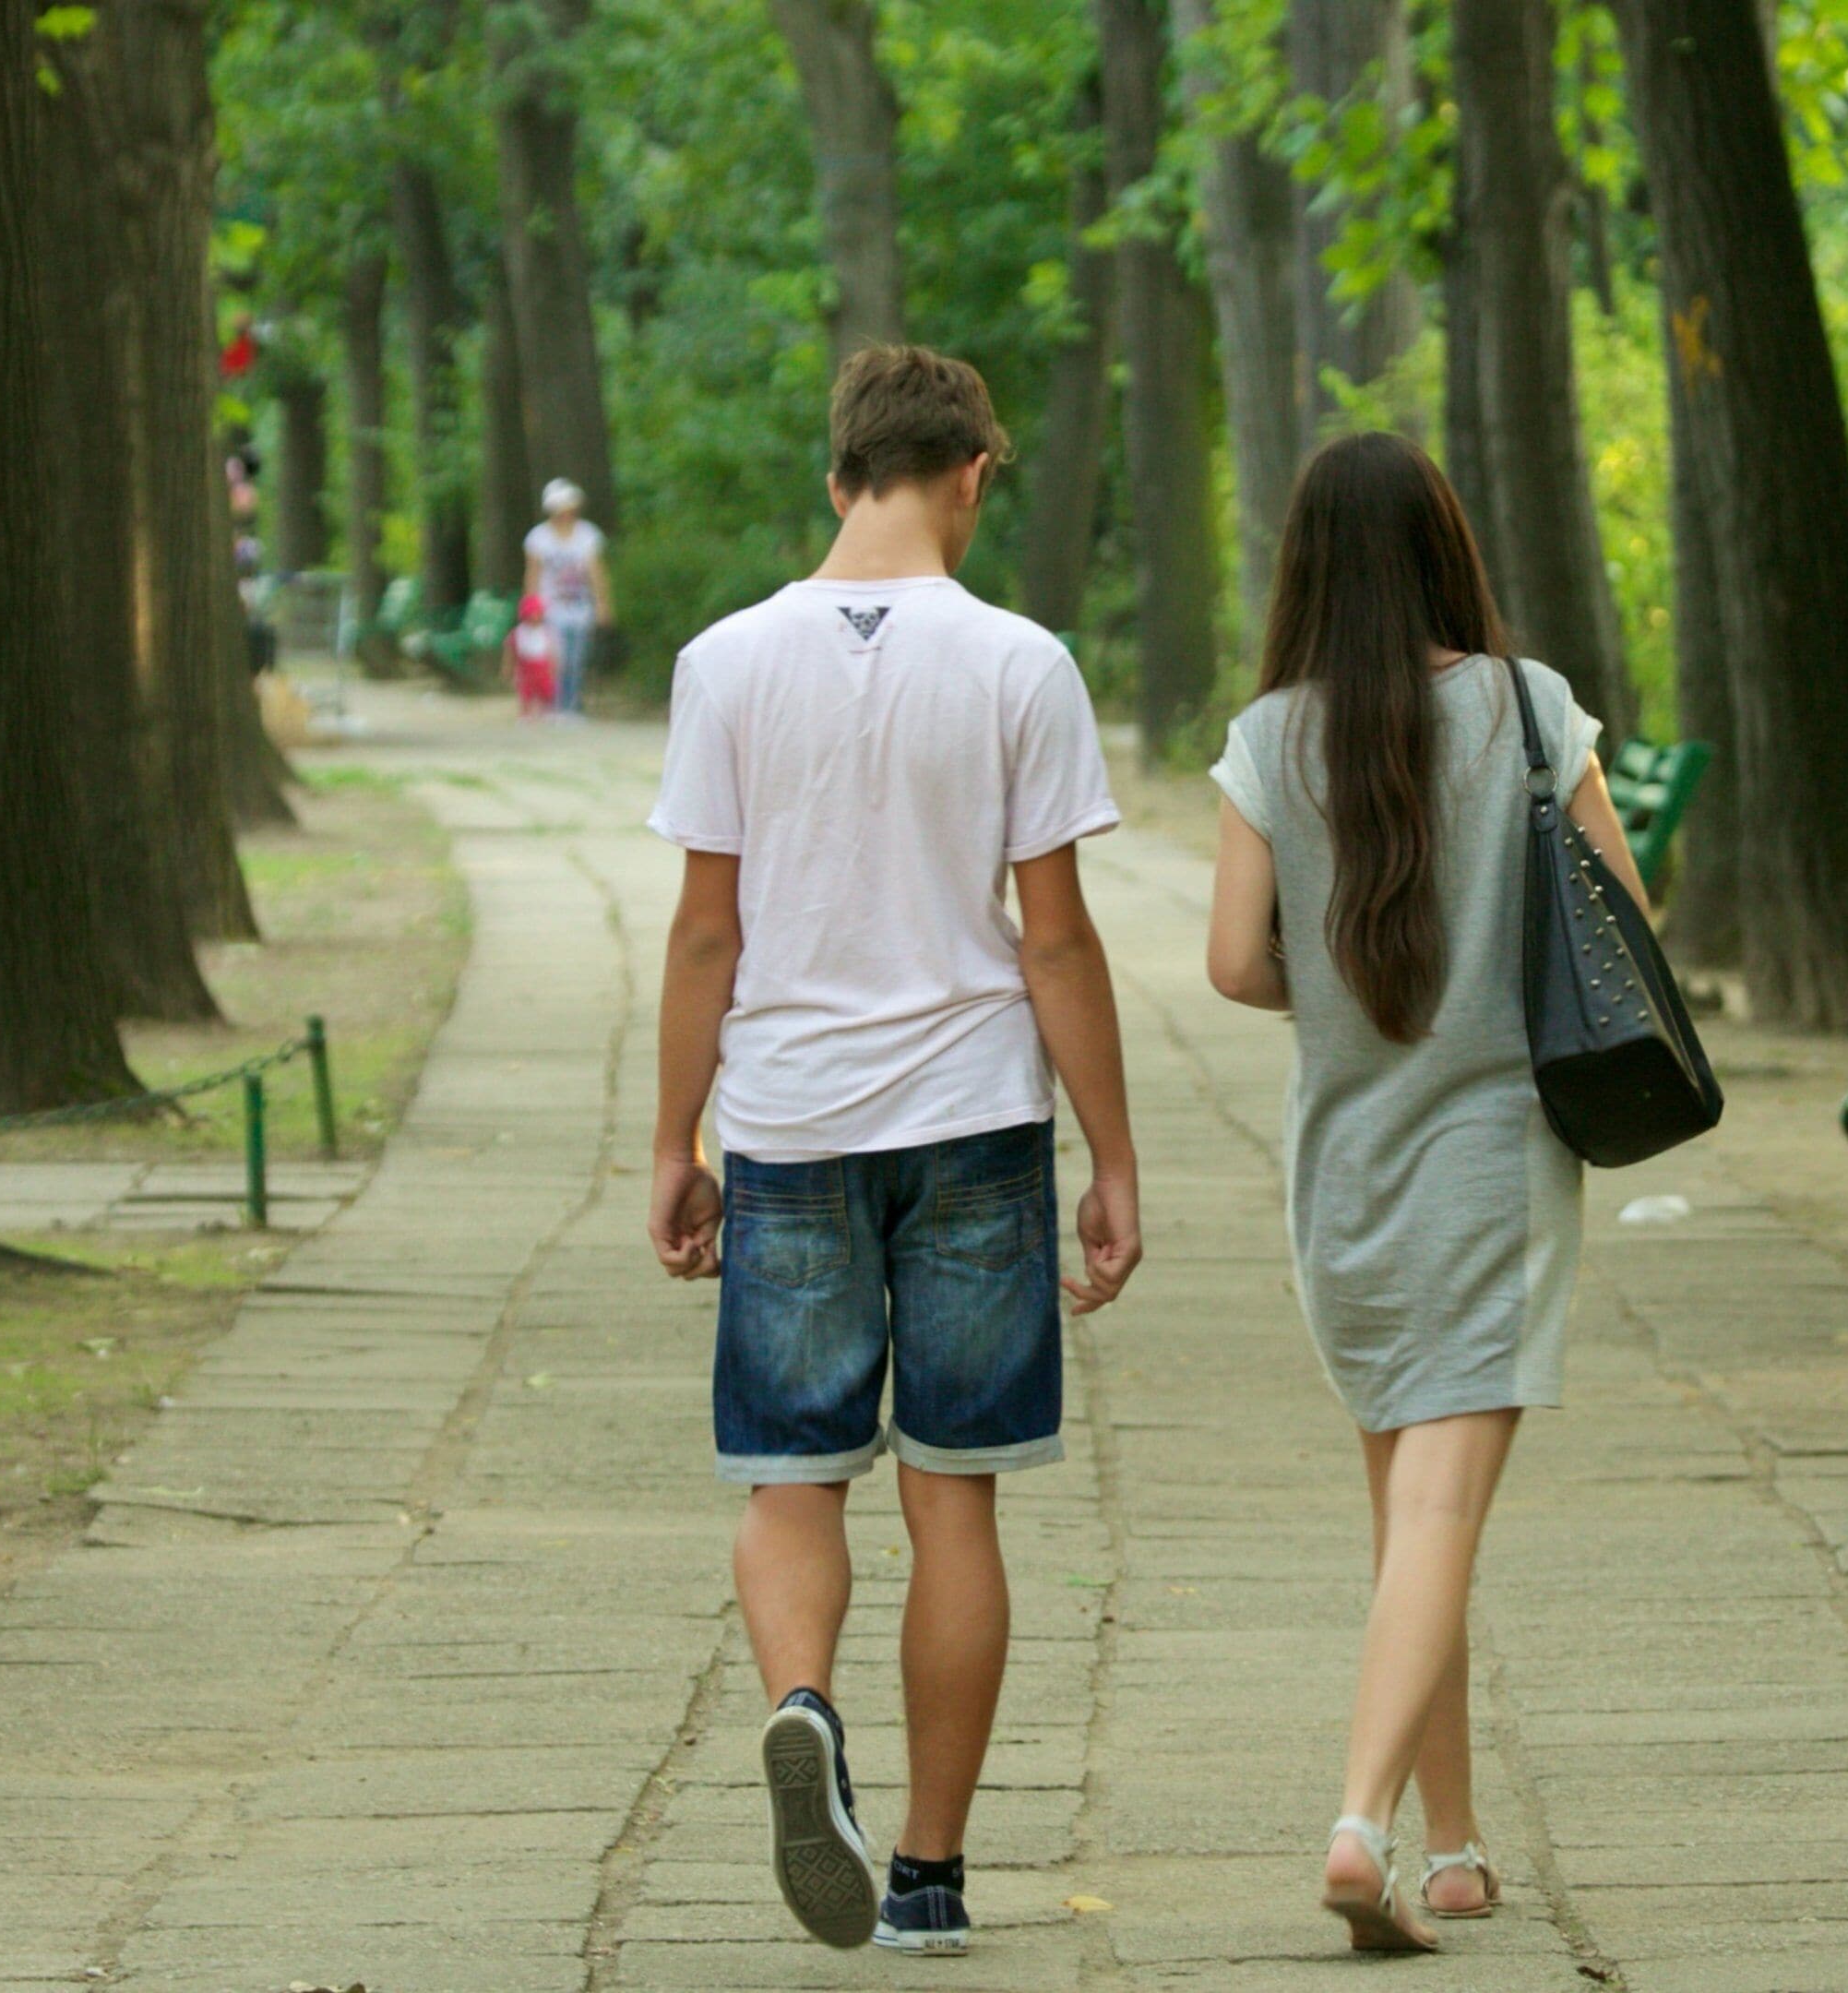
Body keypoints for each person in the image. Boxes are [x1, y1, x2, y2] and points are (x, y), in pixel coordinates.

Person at [645, 346, 1145, 1961]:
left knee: (792, 1480)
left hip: (789, 1122)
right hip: (978, 1124)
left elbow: (705, 935)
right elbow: (1057, 945)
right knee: (956, 1503)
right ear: (975, 474)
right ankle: (928, 1875)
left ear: (838, 473)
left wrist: (674, 1137)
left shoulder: (725, 662)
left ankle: (803, 1704)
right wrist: (1115, 1157)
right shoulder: (1020, 663)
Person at [1199, 433, 1643, 1954]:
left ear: (1306, 566)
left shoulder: (1271, 738)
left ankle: (1452, 1850)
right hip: (1498, 1160)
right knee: (1444, 1507)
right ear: (1449, 547)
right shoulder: (1530, 711)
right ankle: (1357, 1821)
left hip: (1344, 1168)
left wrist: (1342, 995)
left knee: (1410, 1514)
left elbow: (1235, 961)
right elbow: (1627, 922)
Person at [524, 476, 614, 714]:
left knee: (577, 659)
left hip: (581, 606)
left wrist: (602, 603)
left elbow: (596, 572)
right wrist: (530, 608)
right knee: (557, 659)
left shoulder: (588, 535)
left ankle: (571, 704)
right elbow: (533, 575)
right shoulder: (538, 538)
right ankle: (555, 704)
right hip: (550, 607)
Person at [508, 594, 559, 716]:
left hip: (543, 667)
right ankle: (526, 714)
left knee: (547, 692)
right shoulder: (518, 633)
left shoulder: (546, 632)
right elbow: (511, 652)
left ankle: (546, 712)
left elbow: (552, 652)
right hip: (526, 667)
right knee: (526, 692)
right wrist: (510, 670)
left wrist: (554, 668)